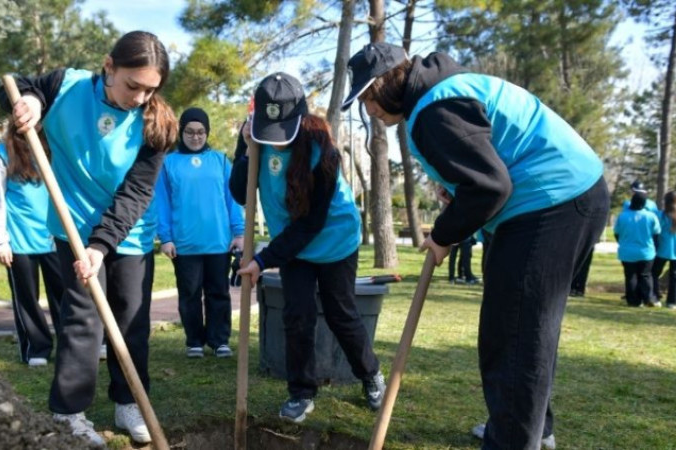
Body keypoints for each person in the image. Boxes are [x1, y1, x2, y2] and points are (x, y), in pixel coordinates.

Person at [344, 43, 609, 450]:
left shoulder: (433, 109)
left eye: (369, 96)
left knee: (516, 334)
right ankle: (531, 430)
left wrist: (444, 233)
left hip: (552, 201)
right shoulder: (441, 90)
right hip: (558, 199)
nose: (370, 110)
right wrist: (458, 195)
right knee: (520, 329)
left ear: (389, 80)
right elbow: (485, 169)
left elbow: (491, 186)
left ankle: (515, 439)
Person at [0, 30, 177, 445]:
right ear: (109, 66)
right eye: (133, 85)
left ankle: (129, 401)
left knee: (131, 319)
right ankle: (68, 411)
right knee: (81, 320)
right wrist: (30, 102)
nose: (139, 98)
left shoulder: (157, 126)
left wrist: (101, 245)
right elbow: (18, 86)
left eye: (150, 90)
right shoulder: (68, 85)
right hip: (72, 228)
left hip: (128, 233)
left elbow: (136, 193)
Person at [231, 72, 386, 424]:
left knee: (340, 313)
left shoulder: (323, 150)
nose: (276, 141)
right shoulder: (257, 137)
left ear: (300, 117)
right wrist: (244, 148)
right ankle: (301, 393)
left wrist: (263, 259)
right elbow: (241, 193)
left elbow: (312, 223)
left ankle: (370, 374)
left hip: (333, 239)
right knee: (296, 315)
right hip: (293, 245)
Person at [156, 107, 244, 358]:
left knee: (218, 293)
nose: (196, 137)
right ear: (181, 132)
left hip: (219, 242)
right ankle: (194, 340)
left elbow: (234, 198)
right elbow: (161, 202)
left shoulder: (220, 161)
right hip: (184, 244)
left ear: (207, 133)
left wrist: (238, 232)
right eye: (190, 132)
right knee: (190, 294)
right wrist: (166, 238)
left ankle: (219, 340)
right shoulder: (169, 163)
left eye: (201, 132)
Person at [0, 120, 64, 367]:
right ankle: (36, 348)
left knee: (64, 296)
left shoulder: (55, 150)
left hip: (54, 238)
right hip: (19, 240)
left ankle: (70, 346)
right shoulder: (2, 154)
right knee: (27, 298)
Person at [615, 192, 662, 307]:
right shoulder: (650, 216)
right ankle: (648, 298)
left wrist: (623, 243)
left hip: (627, 251)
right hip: (646, 251)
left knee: (630, 276)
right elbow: (656, 234)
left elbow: (617, 233)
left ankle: (633, 300)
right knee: (646, 275)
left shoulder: (622, 216)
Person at [652, 191, 676, 309]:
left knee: (654, 274)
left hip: (662, 249)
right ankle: (672, 302)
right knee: (674, 277)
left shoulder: (660, 215)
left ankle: (655, 297)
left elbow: (655, 230)